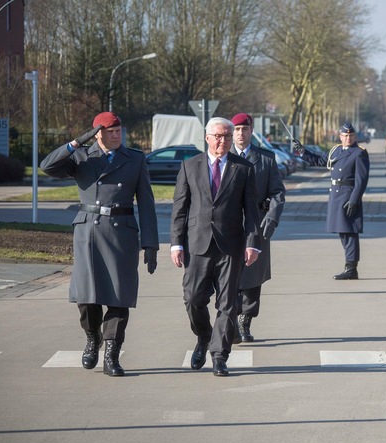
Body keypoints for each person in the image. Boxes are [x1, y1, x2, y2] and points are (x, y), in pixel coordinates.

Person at [40, 111, 159, 377]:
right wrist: (75, 143)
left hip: (122, 233)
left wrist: (151, 244)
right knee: (86, 296)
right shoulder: (82, 157)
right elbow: (47, 166)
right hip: (88, 233)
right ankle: (92, 337)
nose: (117, 136)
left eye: (119, 131)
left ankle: (111, 354)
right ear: (97, 134)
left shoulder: (135, 159)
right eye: (110, 132)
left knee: (120, 297)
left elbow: (147, 204)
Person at [170, 117, 260, 377]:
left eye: (228, 137)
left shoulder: (242, 168)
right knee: (193, 298)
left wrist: (253, 243)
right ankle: (204, 336)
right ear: (207, 137)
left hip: (231, 244)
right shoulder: (190, 166)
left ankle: (219, 355)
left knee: (228, 303)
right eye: (218, 136)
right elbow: (180, 208)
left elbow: (251, 211)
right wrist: (176, 243)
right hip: (198, 243)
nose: (223, 141)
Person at [229, 113, 286, 343]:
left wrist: (271, 220)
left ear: (252, 131)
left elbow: (278, 193)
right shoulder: (224, 157)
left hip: (258, 224)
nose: (240, 133)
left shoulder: (265, 159)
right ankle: (230, 317)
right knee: (229, 273)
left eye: (244, 129)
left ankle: (245, 320)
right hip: (230, 225)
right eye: (236, 129)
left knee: (253, 275)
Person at [293, 123, 370, 280]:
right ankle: (350, 266)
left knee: (350, 233)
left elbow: (361, 180)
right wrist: (302, 151)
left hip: (348, 195)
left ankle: (351, 268)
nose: (348, 138)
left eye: (351, 135)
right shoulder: (336, 150)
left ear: (355, 137)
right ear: (340, 136)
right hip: (336, 196)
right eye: (345, 135)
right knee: (343, 232)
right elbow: (321, 161)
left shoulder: (359, 153)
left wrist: (354, 200)